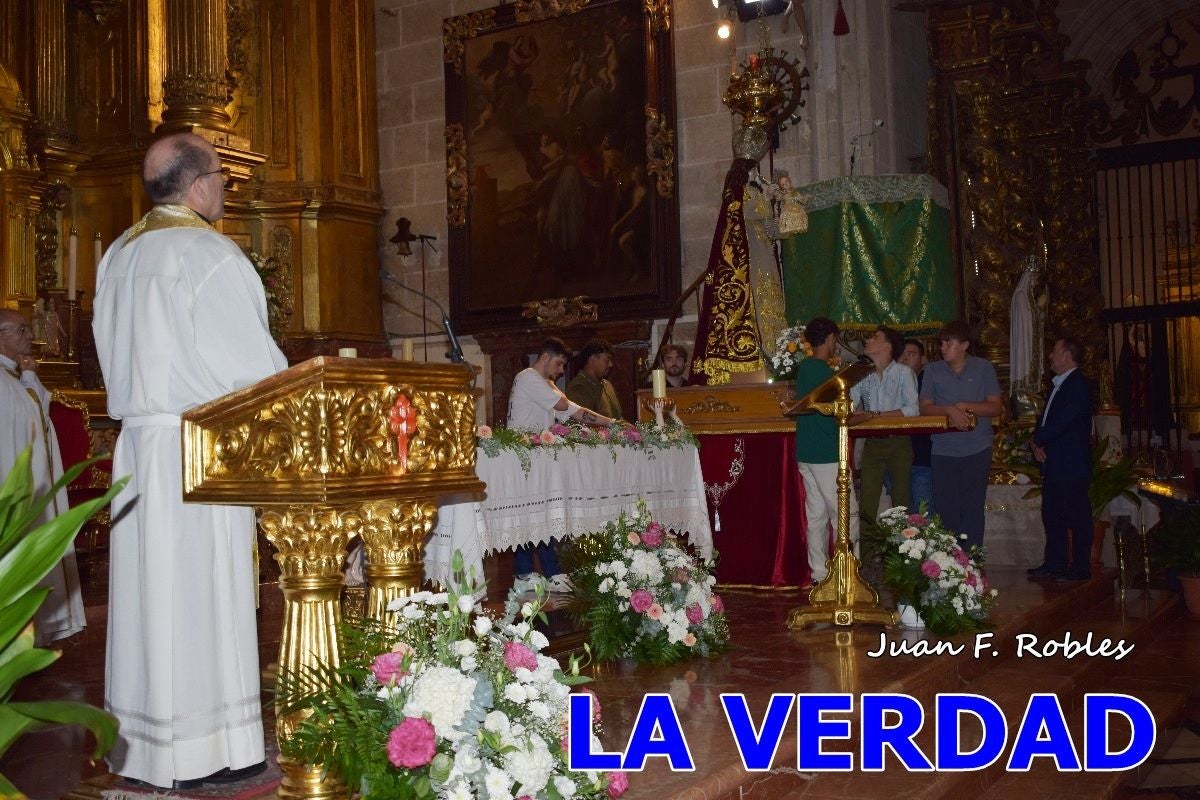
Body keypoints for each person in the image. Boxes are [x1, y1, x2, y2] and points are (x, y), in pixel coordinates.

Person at [92, 133, 287, 790]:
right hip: (197, 444)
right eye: (223, 177)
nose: (225, 189)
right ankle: (213, 749)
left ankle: (146, 748)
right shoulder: (209, 252)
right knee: (204, 594)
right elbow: (257, 373)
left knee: (149, 597)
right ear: (201, 183)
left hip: (138, 448)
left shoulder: (118, 255)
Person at [0, 310, 86, 646]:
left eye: (27, 328)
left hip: (33, 480)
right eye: (20, 329)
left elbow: (35, 410)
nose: (27, 335)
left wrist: (30, 376)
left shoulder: (14, 376)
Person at [507, 338, 620, 592]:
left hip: (538, 458)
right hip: (525, 457)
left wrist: (612, 423)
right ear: (546, 357)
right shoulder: (528, 377)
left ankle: (547, 573)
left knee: (541, 512)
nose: (561, 371)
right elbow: (564, 406)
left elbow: (574, 412)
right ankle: (527, 574)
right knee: (531, 512)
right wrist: (608, 422)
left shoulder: (545, 383)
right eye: (559, 364)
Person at [919, 321, 1003, 551]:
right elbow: (925, 408)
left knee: (973, 507)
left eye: (949, 342)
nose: (943, 347)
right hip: (943, 449)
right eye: (942, 342)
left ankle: (973, 562)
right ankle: (951, 564)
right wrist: (949, 409)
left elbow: (995, 407)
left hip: (977, 447)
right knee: (946, 508)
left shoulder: (983, 368)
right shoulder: (932, 370)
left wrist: (966, 406)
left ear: (965, 345)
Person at [794, 317, 859, 586]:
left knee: (817, 515)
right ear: (831, 338)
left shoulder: (804, 368)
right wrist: (863, 416)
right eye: (836, 339)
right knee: (847, 513)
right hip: (826, 453)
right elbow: (840, 412)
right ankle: (850, 574)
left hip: (807, 452)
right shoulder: (823, 373)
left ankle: (820, 575)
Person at [1028, 338, 1095, 581]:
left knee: (1076, 516)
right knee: (1053, 514)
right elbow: (1046, 419)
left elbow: (1064, 420)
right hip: (1055, 461)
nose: (1050, 356)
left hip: (1071, 462)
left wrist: (1038, 438)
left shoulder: (1078, 384)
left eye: (1054, 351)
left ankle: (1080, 568)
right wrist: (1037, 440)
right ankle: (1055, 564)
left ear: (1067, 355)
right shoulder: (1059, 385)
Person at [849, 326, 918, 531]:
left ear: (887, 346)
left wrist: (876, 416)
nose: (867, 340)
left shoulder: (903, 373)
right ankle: (865, 560)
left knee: (901, 503)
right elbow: (850, 404)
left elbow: (913, 409)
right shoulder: (862, 374)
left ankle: (900, 559)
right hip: (872, 443)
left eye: (875, 337)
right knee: (867, 502)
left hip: (899, 442)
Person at [899, 339, 934, 515]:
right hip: (896, 458)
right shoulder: (892, 381)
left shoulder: (929, 382)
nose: (905, 359)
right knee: (901, 518)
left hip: (923, 458)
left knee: (923, 513)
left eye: (911, 354)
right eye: (901, 355)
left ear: (923, 360)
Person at [566, 339, 623, 420]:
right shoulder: (578, 387)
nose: (611, 364)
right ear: (592, 359)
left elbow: (618, 418)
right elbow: (581, 426)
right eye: (607, 360)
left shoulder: (607, 384)